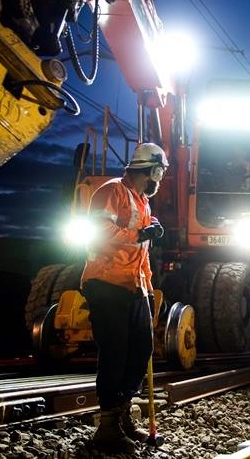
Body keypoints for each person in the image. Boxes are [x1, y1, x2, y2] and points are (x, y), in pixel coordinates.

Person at [81, 143, 168, 454]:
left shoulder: (142, 202)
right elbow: (99, 227)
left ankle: (122, 413)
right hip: (106, 282)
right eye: (161, 173)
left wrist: (147, 284)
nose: (161, 179)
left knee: (141, 349)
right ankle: (106, 426)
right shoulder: (112, 191)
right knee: (115, 352)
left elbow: (141, 252)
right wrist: (140, 234)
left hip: (134, 286)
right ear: (153, 170)